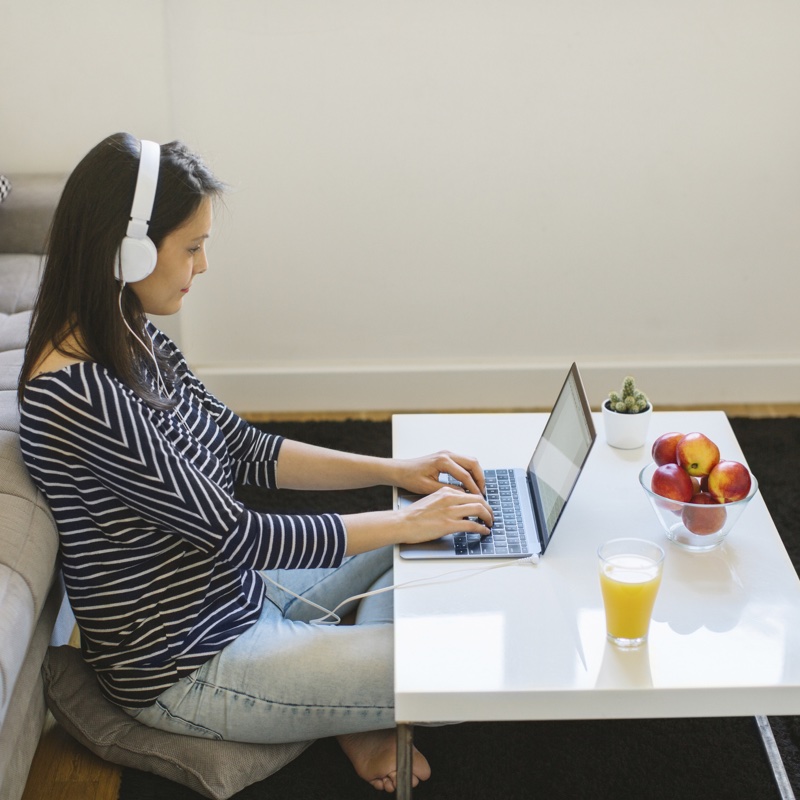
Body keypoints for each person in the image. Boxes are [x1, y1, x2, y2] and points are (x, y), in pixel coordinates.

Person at [17, 132, 493, 792]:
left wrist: (395, 474)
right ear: (127, 251)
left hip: (239, 593)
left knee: (429, 526)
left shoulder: (123, 331)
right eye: (191, 247)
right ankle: (342, 705)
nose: (203, 265)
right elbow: (239, 532)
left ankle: (340, 705)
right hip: (193, 666)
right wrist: (402, 524)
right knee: (465, 662)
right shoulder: (83, 397)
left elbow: (244, 447)